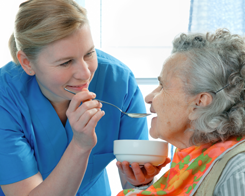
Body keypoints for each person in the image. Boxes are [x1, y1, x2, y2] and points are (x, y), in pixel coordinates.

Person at [0, 0, 168, 195]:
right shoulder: (5, 98)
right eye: (65, 62)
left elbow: (133, 179)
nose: (85, 73)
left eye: (89, 53)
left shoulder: (119, 82)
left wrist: (140, 182)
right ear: (27, 63)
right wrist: (80, 145)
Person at [117, 28, 245, 196]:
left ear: (198, 104)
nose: (149, 97)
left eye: (162, 86)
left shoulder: (237, 171)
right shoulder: (191, 159)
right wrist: (143, 186)